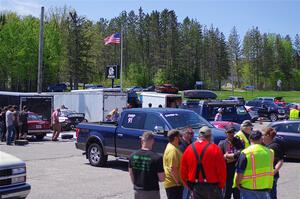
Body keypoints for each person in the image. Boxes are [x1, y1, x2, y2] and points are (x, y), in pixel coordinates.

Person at [181, 126, 226, 199]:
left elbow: (183, 172)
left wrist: (189, 186)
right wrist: (221, 185)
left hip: (195, 187)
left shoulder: (189, 149)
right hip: (212, 187)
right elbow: (222, 170)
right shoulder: (215, 149)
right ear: (210, 136)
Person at [234, 130, 274, 199]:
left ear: (250, 139)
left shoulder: (246, 153)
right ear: (261, 139)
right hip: (265, 188)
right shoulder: (270, 152)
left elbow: (240, 172)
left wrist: (237, 183)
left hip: (248, 189)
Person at [128, 132, 165, 199]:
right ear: (153, 141)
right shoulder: (157, 158)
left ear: (142, 140)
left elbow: (131, 173)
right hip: (152, 191)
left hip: (138, 191)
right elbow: (162, 178)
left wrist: (136, 185)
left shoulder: (132, 156)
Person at [218, 126, 242, 199]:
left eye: (232, 132)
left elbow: (241, 154)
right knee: (226, 195)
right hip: (227, 174)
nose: (231, 134)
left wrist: (230, 156)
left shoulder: (238, 142)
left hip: (236, 173)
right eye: (229, 132)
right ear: (225, 133)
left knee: (237, 195)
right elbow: (219, 158)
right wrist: (227, 157)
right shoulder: (222, 143)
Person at [262, 128, 284, 199]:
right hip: (265, 176)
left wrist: (274, 171)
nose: (262, 137)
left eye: (263, 135)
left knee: (271, 196)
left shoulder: (274, 146)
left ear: (268, 136)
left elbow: (281, 160)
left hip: (272, 177)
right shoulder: (265, 145)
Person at [163, 130, 183, 199]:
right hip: (174, 184)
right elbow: (173, 169)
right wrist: (178, 183)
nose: (181, 138)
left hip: (174, 183)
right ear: (175, 138)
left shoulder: (172, 147)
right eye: (180, 136)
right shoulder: (172, 150)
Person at [179, 127, 194, 199]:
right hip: (184, 174)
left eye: (192, 133)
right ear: (184, 134)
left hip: (191, 174)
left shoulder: (191, 143)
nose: (192, 135)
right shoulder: (181, 145)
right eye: (190, 133)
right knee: (184, 195)